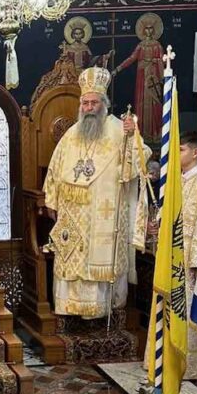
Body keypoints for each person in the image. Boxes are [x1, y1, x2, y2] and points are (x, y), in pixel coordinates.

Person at [43, 66, 150, 319]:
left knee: (99, 258)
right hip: (72, 212)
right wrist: (51, 200)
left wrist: (132, 136)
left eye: (94, 102)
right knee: (71, 256)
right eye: (85, 103)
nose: (89, 107)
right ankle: (69, 306)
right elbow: (55, 168)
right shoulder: (72, 134)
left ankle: (100, 308)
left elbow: (139, 161)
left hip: (104, 210)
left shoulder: (119, 129)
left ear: (104, 104)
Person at [145, 132, 197, 378]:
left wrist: (195, 262)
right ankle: (161, 358)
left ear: (195, 152)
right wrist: (156, 227)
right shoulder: (174, 180)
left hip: (187, 259)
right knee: (164, 307)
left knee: (185, 309)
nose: (176, 153)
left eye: (181, 149)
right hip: (168, 255)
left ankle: (186, 365)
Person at [114, 16, 165, 144]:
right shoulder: (141, 45)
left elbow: (163, 60)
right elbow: (132, 58)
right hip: (142, 78)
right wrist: (118, 69)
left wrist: (156, 62)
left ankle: (155, 133)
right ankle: (142, 134)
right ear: (143, 30)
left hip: (153, 77)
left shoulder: (157, 45)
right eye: (146, 29)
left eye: (151, 28)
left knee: (155, 104)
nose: (149, 31)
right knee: (142, 103)